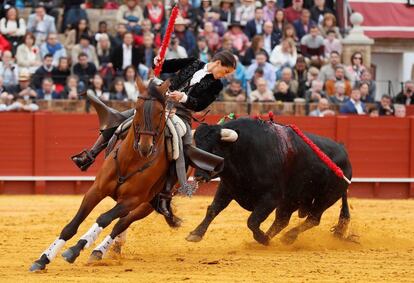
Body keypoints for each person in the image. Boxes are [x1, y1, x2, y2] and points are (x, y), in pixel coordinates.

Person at [71, 50, 236, 219]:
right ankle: (90, 155)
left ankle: (167, 193)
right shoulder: (194, 62)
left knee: (183, 145)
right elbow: (165, 66)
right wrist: (158, 62)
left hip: (181, 114)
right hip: (158, 104)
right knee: (118, 119)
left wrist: (184, 98)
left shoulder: (217, 85)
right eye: (226, 71)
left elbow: (200, 104)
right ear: (218, 63)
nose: (224, 76)